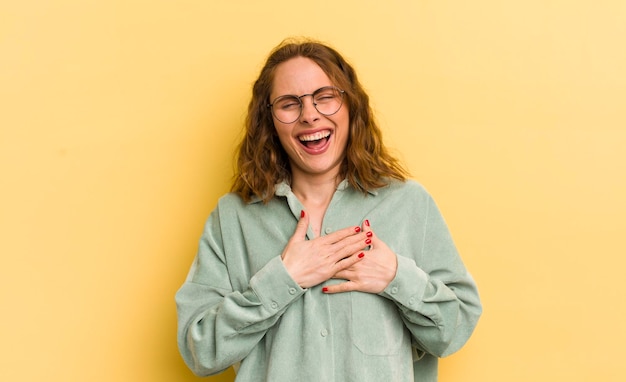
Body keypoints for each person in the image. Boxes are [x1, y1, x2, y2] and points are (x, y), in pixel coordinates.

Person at [176, 38, 482, 382]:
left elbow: (455, 332)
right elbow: (199, 352)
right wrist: (282, 280)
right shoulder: (233, 217)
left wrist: (396, 277)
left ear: (351, 105)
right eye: (289, 103)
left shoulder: (410, 203)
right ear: (270, 120)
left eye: (325, 97)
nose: (309, 115)